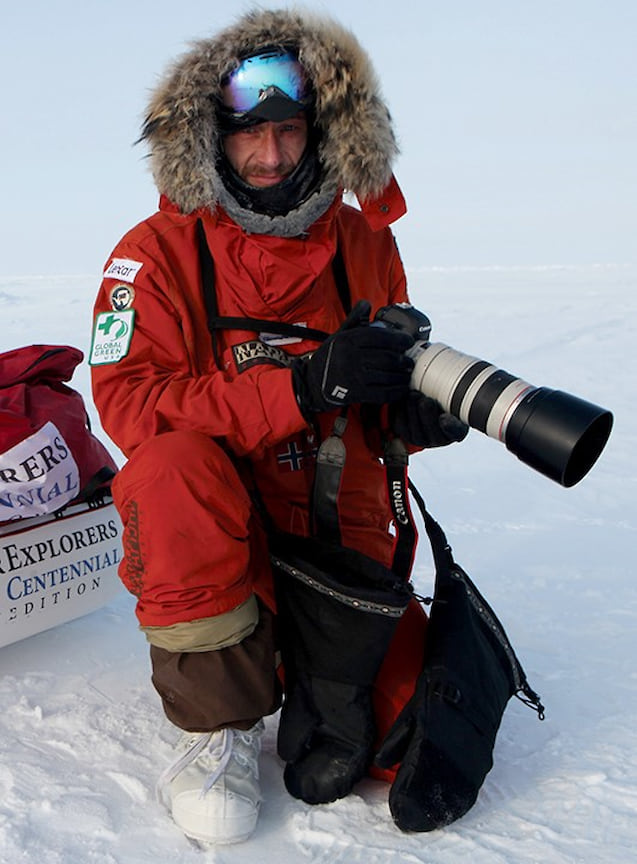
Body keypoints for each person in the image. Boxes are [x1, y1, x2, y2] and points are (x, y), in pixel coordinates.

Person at [90, 8, 467, 846]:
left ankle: (320, 660)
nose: (269, 157)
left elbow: (379, 378)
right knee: (168, 466)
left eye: (289, 131)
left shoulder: (364, 242)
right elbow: (128, 404)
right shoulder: (150, 253)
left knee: (402, 745)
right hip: (222, 542)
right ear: (208, 139)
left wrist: (407, 414)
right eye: (248, 136)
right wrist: (296, 386)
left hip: (337, 542)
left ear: (323, 131)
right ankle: (215, 724)